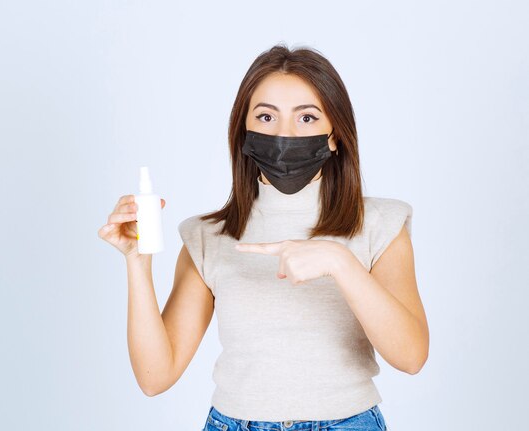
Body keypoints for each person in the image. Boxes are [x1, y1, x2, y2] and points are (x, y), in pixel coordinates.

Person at [98, 44, 429, 431]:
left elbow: (411, 357)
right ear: (245, 133)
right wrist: (137, 262)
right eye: (266, 116)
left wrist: (340, 263)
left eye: (306, 117)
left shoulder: (379, 224)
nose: (284, 134)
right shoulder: (208, 237)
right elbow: (155, 377)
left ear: (335, 135)